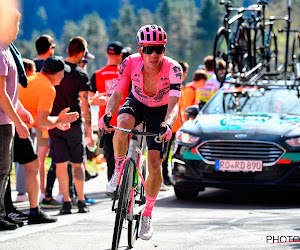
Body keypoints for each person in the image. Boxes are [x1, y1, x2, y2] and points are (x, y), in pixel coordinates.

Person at [99, 24, 183, 240]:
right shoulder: (129, 63)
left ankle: (147, 215)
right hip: (136, 102)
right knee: (122, 121)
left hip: (160, 112)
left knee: (155, 163)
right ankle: (118, 170)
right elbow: (118, 94)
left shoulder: (173, 69)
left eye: (158, 49)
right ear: (140, 49)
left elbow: (174, 105)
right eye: (148, 49)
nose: (153, 54)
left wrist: (168, 124)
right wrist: (108, 114)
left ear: (163, 49)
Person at [48, 36, 95, 215]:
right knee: (77, 164)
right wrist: (89, 131)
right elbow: (85, 104)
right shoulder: (80, 73)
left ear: (68, 50)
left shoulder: (56, 69)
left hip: (56, 122)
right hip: (75, 123)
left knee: (60, 164)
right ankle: (81, 201)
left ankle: (66, 203)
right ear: (82, 53)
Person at [0, 6, 30, 231]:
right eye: (16, 23)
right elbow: (0, 93)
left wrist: (20, 110)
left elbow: (8, 93)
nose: (18, 28)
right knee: (1, 170)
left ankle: (1, 212)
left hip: (6, 119)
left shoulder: (7, 50)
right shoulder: (0, 53)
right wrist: (18, 122)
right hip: (1, 122)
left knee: (4, 170)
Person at [90, 41, 130, 182]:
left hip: (106, 122)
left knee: (110, 156)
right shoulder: (126, 74)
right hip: (125, 121)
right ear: (121, 55)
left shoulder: (97, 74)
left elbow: (88, 99)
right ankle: (127, 185)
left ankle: (112, 184)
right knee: (125, 156)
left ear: (107, 54)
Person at [161, 61, 189, 188]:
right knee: (163, 153)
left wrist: (184, 126)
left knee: (171, 153)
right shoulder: (169, 87)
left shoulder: (181, 88)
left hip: (177, 127)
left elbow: (181, 109)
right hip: (169, 126)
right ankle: (163, 178)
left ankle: (169, 176)